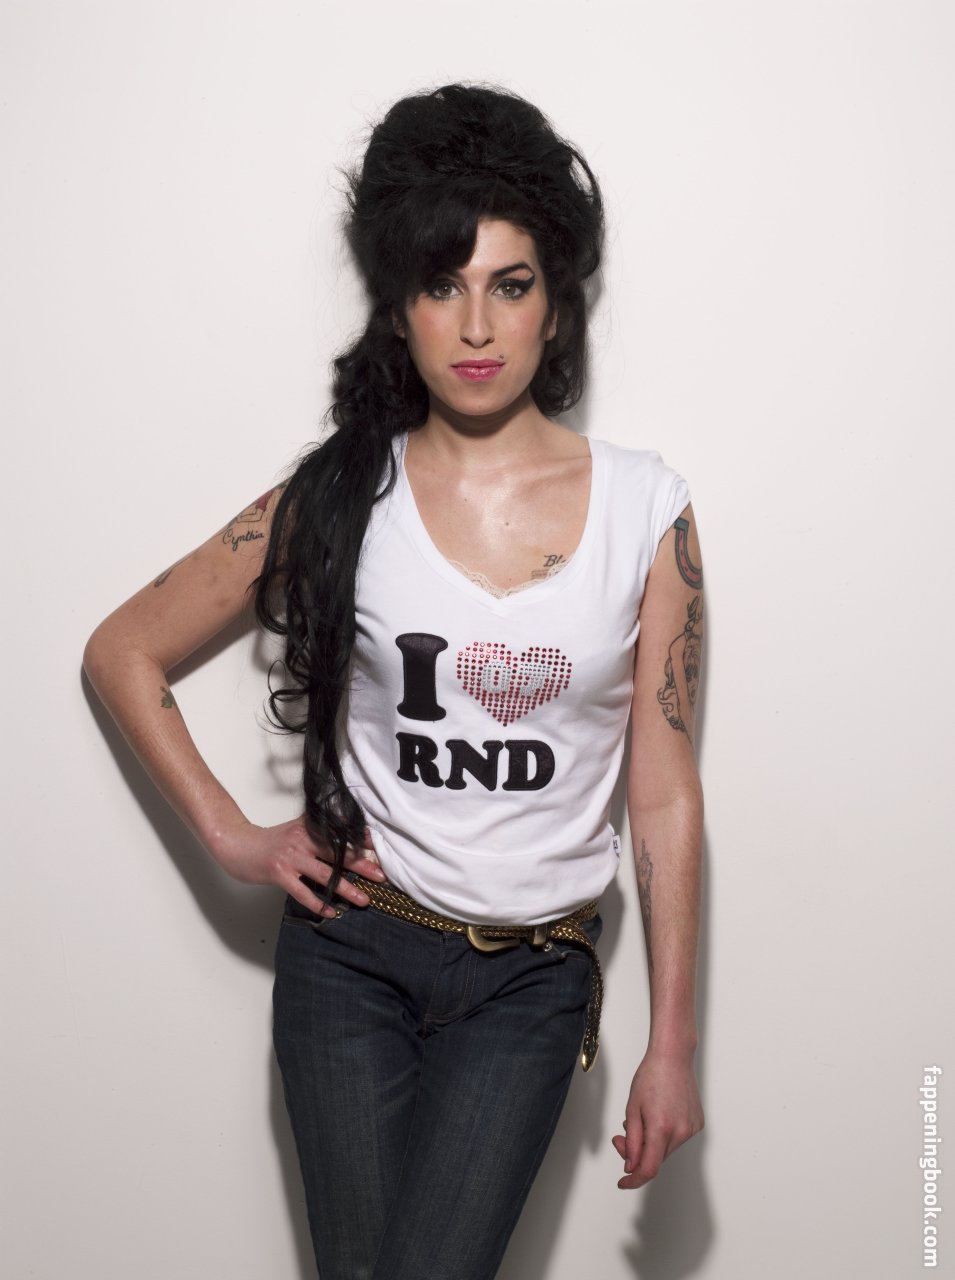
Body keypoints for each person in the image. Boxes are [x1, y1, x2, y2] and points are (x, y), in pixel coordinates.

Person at [84, 82, 705, 1280]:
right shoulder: (340, 494)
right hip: (350, 959)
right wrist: (234, 836)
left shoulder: (649, 512)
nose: (475, 324)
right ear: (400, 308)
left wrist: (672, 1039)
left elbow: (665, 792)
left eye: (509, 285)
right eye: (440, 284)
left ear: (555, 309)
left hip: (531, 977)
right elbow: (125, 647)